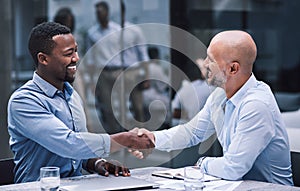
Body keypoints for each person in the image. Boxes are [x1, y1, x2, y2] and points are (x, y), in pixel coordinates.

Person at [130, 30, 294, 185]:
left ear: (233, 68)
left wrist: (202, 163)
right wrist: (151, 139)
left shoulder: (256, 105)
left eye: (211, 60)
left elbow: (233, 168)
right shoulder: (220, 95)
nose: (204, 64)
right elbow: (191, 133)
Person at [7, 22, 154, 183]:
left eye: (76, 51)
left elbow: (77, 154)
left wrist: (97, 163)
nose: (76, 58)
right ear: (43, 59)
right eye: (68, 53)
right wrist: (128, 139)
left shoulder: (72, 96)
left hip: (75, 185)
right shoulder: (24, 101)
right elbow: (69, 144)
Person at [85, 1, 149, 134]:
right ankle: (115, 135)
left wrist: (145, 75)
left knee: (130, 105)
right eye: (97, 12)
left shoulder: (119, 30)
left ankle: (137, 135)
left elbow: (140, 54)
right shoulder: (93, 33)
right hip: (103, 72)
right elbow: (90, 58)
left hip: (123, 70)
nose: (99, 15)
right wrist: (92, 81)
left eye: (101, 11)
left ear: (108, 13)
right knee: (107, 107)